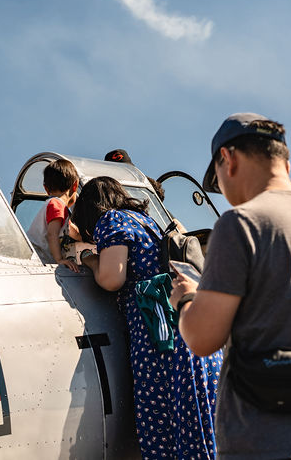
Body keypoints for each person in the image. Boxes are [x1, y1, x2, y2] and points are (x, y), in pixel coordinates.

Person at [171, 113, 291, 459]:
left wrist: (187, 299)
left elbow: (203, 339)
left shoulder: (241, 224)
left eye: (217, 182)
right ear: (286, 160)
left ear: (228, 160)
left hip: (267, 448)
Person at [74, 176, 220, 460]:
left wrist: (90, 259)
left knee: (160, 422)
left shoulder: (111, 220)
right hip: (182, 327)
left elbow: (111, 278)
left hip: (157, 338)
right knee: (193, 422)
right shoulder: (144, 220)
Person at [25, 159, 84, 271]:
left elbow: (74, 232)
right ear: (75, 185)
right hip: (36, 256)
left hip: (39, 256)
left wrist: (89, 239)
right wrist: (59, 260)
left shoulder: (58, 208)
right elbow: (52, 234)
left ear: (46, 189)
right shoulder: (57, 204)